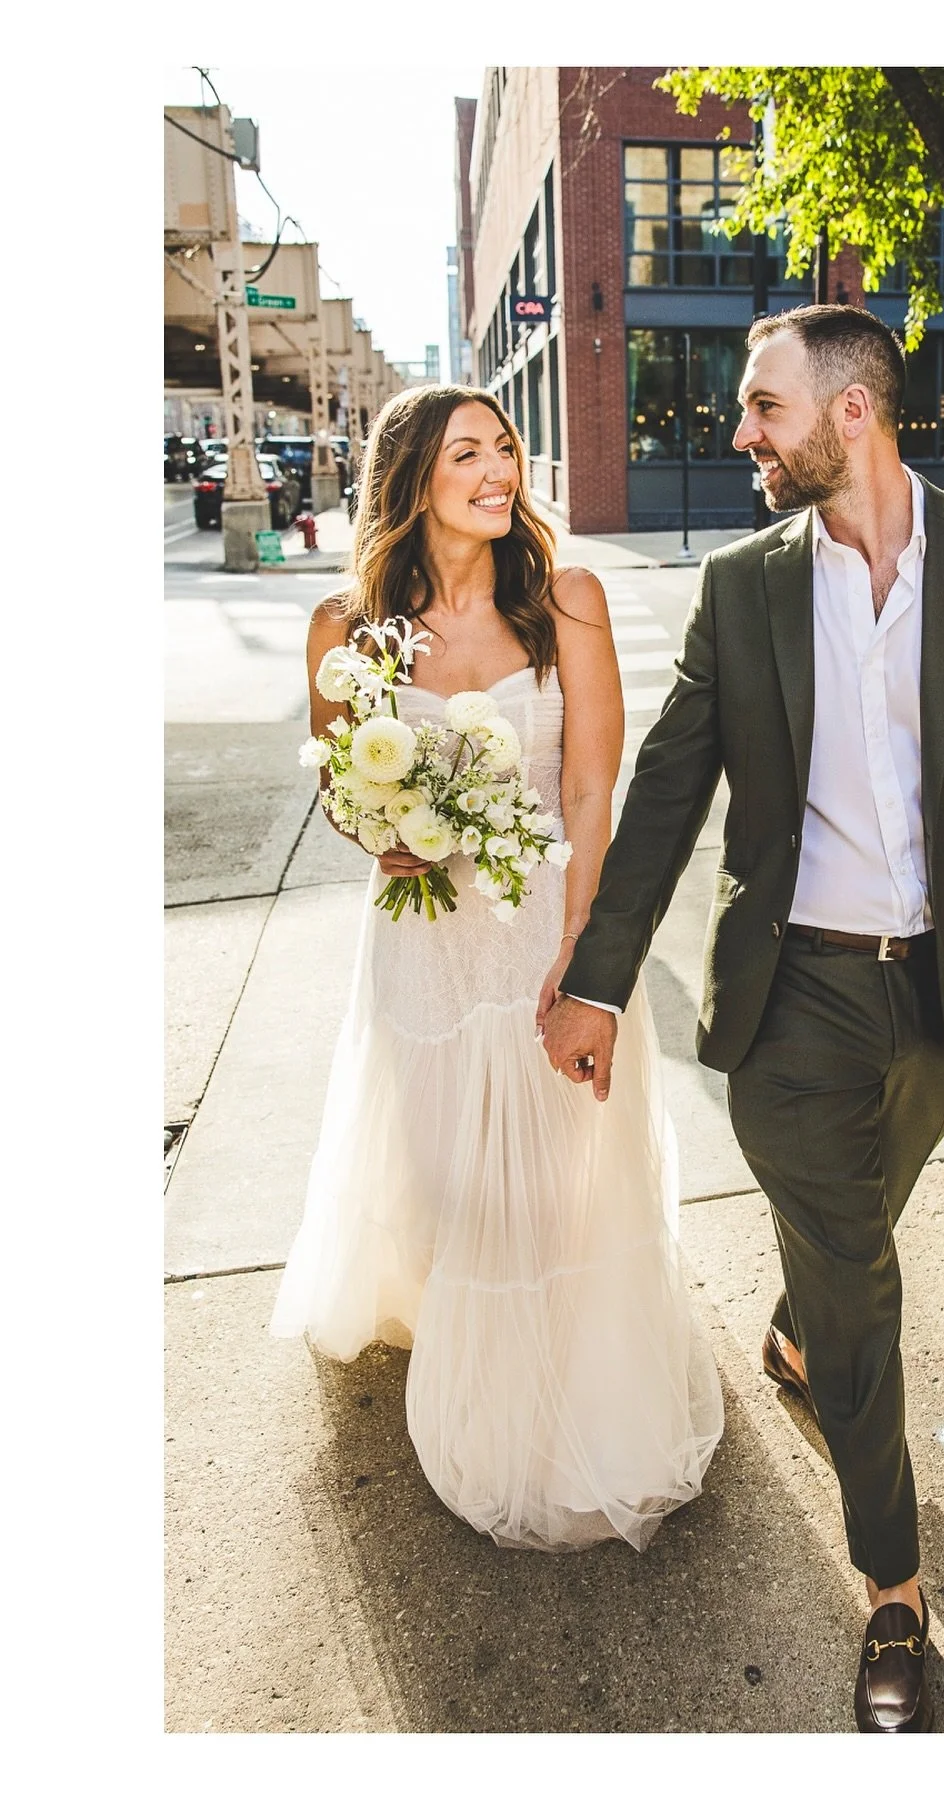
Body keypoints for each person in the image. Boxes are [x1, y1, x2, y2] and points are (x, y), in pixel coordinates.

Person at [541, 305, 944, 1731]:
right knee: (866, 1281)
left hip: (941, 991)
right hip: (792, 991)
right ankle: (892, 1586)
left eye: (763, 408)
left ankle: (801, 1338)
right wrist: (598, 981)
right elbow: (671, 799)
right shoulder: (743, 589)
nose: (740, 431)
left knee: (850, 1245)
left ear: (851, 414)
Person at [270, 385, 723, 1553]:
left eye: (506, 447)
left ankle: (551, 1394)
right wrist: (383, 835)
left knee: (551, 1181)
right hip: (420, 940)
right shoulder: (348, 630)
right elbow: (338, 789)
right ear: (412, 474)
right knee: (444, 1176)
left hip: (536, 929)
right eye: (466, 451)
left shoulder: (564, 599)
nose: (498, 468)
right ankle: (465, 1338)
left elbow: (586, 786)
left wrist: (586, 950)